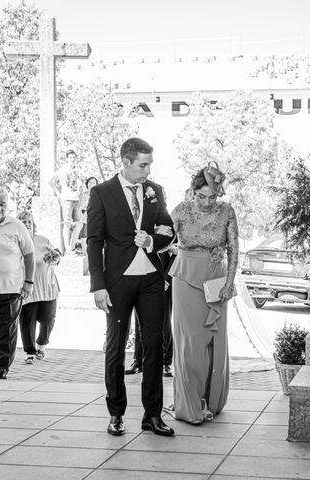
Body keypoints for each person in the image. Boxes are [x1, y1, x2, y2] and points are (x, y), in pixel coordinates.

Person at [87, 137, 175, 437]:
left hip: (152, 279)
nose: (147, 170)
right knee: (116, 349)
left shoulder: (155, 191)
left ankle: (153, 415)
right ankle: (116, 414)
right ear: (125, 162)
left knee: (154, 347)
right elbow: (94, 241)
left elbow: (167, 228)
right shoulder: (101, 193)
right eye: (142, 165)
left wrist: (152, 241)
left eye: (149, 164)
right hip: (117, 282)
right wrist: (98, 286)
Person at [169, 162, 239, 424]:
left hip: (216, 279)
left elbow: (234, 249)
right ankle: (189, 403)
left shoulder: (227, 211)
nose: (207, 202)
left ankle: (211, 399)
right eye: (201, 196)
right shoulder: (182, 209)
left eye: (212, 196)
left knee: (213, 340)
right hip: (186, 277)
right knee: (190, 342)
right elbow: (163, 235)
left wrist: (229, 283)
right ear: (193, 191)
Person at [0, 187, 35, 379]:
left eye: (2, 204)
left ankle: (1, 369)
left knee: (6, 332)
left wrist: (28, 282)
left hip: (10, 289)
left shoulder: (16, 226)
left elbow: (29, 254)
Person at [125, 241, 177, 377]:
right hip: (141, 277)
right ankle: (138, 361)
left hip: (163, 279)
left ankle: (166, 362)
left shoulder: (168, 222)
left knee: (164, 320)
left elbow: (177, 253)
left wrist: (166, 278)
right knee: (139, 321)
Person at [16, 211, 62, 364]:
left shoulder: (42, 240)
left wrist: (55, 257)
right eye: (23, 221)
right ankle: (30, 352)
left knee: (48, 318)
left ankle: (41, 344)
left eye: (29, 221)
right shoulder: (16, 242)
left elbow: (57, 256)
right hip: (28, 287)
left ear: (33, 224)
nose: (26, 223)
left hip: (47, 286)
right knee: (27, 320)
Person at [49, 150, 82, 254]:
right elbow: (50, 180)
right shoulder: (63, 170)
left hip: (76, 198)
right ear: (67, 159)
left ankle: (72, 247)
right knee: (67, 224)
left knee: (79, 223)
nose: (72, 159)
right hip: (66, 198)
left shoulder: (77, 170)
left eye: (74, 157)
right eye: (70, 157)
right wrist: (57, 192)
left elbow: (80, 182)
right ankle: (68, 249)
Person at [77, 176, 99, 255]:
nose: (91, 184)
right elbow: (80, 206)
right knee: (84, 234)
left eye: (94, 182)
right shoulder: (83, 194)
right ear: (87, 184)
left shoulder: (98, 195)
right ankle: (85, 253)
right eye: (90, 182)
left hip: (95, 218)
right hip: (85, 217)